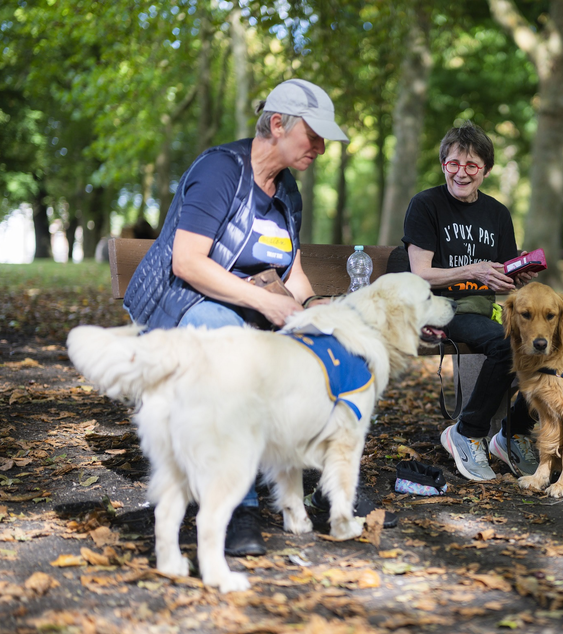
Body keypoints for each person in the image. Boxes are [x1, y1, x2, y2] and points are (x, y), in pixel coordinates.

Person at [123, 79, 385, 557]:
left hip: (250, 312)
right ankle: (239, 507)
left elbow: (294, 272)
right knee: (228, 336)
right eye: (315, 134)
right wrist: (265, 304)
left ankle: (327, 486)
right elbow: (187, 262)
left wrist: (311, 309)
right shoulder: (221, 170)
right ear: (278, 124)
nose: (323, 148)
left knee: (334, 346)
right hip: (184, 308)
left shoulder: (288, 192)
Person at [402, 120, 541, 481]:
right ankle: (467, 432)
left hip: (482, 309)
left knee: (547, 345)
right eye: (453, 164)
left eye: (471, 166)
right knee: (503, 343)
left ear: (486, 170)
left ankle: (512, 434)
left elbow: (501, 278)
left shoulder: (497, 214)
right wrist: (473, 271)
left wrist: (517, 275)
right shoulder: (426, 205)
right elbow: (420, 274)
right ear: (443, 164)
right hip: (439, 307)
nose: (461, 173)